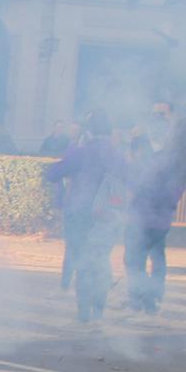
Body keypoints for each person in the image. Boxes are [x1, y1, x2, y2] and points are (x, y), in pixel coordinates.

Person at [42, 111, 125, 325]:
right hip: (107, 216)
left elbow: (52, 174)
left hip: (79, 214)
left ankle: (83, 314)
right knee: (100, 261)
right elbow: (132, 179)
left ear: (88, 131)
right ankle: (98, 312)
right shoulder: (116, 154)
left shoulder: (80, 153)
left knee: (82, 262)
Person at [124, 115, 186, 315]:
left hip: (145, 216)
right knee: (155, 256)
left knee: (134, 259)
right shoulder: (184, 161)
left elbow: (145, 183)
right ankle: (152, 298)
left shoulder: (164, 158)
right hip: (163, 219)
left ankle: (141, 300)